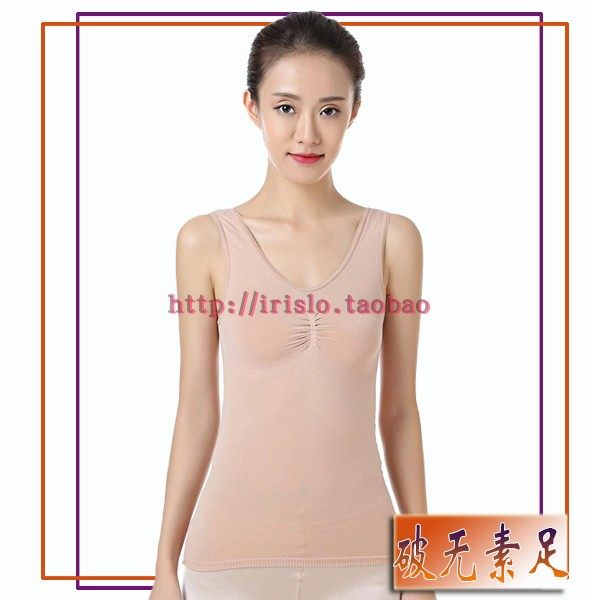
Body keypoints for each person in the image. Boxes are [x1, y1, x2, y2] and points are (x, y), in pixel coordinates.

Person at [150, 11, 435, 600]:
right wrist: (163, 567)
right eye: (286, 107)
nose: (307, 134)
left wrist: (424, 566)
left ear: (354, 112)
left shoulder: (394, 240)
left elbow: (400, 413)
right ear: (252, 107)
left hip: (370, 561)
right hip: (229, 561)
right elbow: (197, 410)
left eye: (329, 110)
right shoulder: (205, 241)